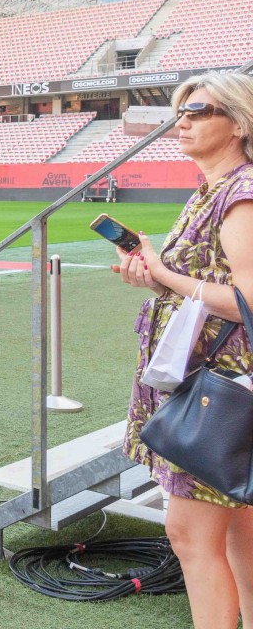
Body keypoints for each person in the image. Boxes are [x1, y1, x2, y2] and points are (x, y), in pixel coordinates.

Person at [113, 72, 253, 629]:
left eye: (198, 110)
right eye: (179, 111)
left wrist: (167, 274)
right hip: (210, 384)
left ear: (239, 122)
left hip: (215, 392)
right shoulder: (216, 189)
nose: (183, 120)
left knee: (190, 536)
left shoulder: (240, 193)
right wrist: (156, 278)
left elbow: (247, 298)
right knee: (239, 528)